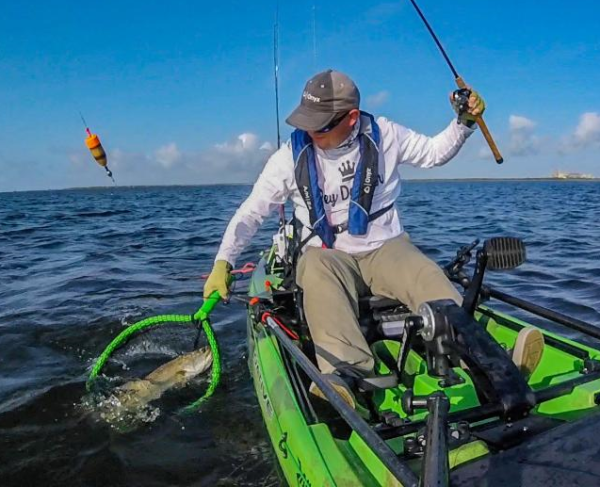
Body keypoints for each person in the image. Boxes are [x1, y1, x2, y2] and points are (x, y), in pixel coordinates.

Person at [204, 69, 542, 403]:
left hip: (385, 248)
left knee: (424, 272)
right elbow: (251, 213)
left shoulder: (386, 134)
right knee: (316, 267)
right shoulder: (288, 158)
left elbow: (434, 153)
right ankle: (344, 378)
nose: (311, 132)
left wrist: (464, 122)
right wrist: (223, 262)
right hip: (329, 256)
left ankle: (493, 362)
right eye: (306, 122)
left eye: (321, 125)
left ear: (351, 118)